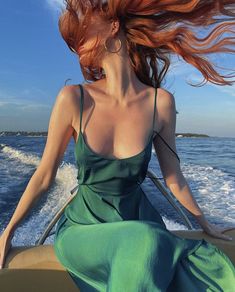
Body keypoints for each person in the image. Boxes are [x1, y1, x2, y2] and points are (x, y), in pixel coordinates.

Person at [1, 0, 235, 291]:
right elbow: (45, 174)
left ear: (113, 27)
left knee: (150, 242)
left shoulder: (159, 103)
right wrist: (8, 231)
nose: (76, 46)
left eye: (81, 34)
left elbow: (174, 177)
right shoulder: (73, 98)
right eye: (72, 42)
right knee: (147, 241)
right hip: (83, 230)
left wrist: (206, 225)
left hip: (140, 221)